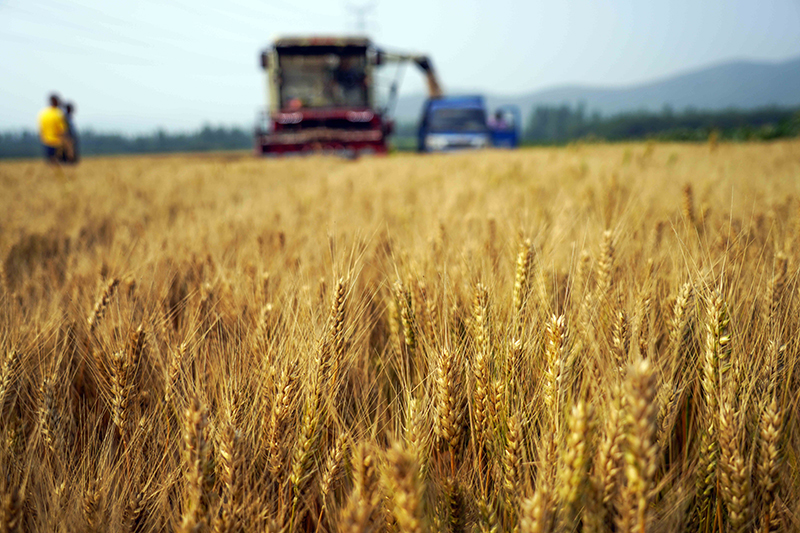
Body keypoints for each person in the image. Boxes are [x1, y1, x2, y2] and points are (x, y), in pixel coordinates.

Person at [37, 93, 67, 165]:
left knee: (50, 162)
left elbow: (41, 129)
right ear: (56, 102)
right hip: (57, 142)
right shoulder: (59, 113)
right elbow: (62, 130)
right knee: (60, 163)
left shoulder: (43, 114)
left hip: (46, 141)